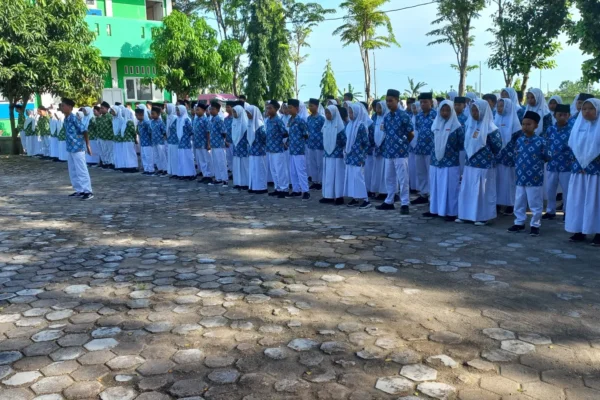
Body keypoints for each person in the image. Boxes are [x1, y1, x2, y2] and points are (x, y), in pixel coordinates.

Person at [456, 100, 503, 225]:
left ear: (483, 111)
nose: (474, 113)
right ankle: (465, 215)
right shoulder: (469, 125)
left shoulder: (492, 128)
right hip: (470, 164)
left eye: (477, 110)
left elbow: (497, 146)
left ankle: (483, 217)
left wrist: (486, 156)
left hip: (484, 165)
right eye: (472, 110)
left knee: (482, 192)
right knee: (469, 189)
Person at [508, 111, 550, 236]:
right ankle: (519, 223)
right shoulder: (519, 141)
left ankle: (535, 225)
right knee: (519, 201)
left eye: (529, 124)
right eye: (523, 124)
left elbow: (547, 156)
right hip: (520, 177)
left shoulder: (541, 141)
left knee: (535, 202)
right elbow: (515, 155)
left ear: (536, 125)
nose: (525, 127)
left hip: (534, 177)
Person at [565, 98, 600, 246]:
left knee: (595, 202)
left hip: (596, 173)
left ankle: (598, 232)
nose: (587, 112)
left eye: (591, 108)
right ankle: (578, 230)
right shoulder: (578, 126)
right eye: (584, 109)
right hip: (579, 171)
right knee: (578, 201)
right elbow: (572, 145)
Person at [423, 100, 464, 221]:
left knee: (450, 189)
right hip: (435, 162)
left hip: (450, 163)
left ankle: (451, 213)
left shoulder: (457, 127)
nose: (445, 113)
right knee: (435, 187)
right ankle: (434, 210)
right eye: (442, 110)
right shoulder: (435, 125)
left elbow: (461, 144)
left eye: (447, 110)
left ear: (452, 111)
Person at [376, 89, 414, 213]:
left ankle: (405, 203)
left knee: (403, 179)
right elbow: (385, 133)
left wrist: (403, 144)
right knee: (389, 178)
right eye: (387, 101)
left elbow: (411, 133)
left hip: (401, 153)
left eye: (391, 101)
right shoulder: (386, 117)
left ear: (397, 100)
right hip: (389, 152)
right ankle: (389, 201)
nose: (388, 103)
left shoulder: (404, 116)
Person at [543, 104, 573, 220]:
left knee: (567, 190)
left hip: (567, 165)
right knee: (550, 189)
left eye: (565, 115)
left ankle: (567, 212)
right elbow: (546, 143)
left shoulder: (572, 130)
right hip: (552, 164)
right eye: (560, 114)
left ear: (569, 116)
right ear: (555, 115)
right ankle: (550, 211)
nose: (562, 117)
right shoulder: (550, 129)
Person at [494, 98, 522, 215]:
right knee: (498, 180)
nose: (499, 108)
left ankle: (511, 204)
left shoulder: (515, 123)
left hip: (509, 157)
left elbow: (518, 141)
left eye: (502, 106)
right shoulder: (495, 119)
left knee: (509, 181)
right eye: (498, 106)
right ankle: (498, 203)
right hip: (497, 156)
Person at [62, 98, 93, 200]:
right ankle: (79, 190)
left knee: (81, 170)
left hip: (78, 147)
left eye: (63, 105)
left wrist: (88, 145)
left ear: (70, 107)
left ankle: (88, 191)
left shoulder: (74, 118)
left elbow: (84, 130)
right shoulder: (66, 119)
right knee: (73, 170)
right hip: (70, 148)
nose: (61, 107)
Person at [344, 103, 372, 209]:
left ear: (357, 113)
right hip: (350, 156)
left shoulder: (361, 126)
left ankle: (365, 200)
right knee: (352, 177)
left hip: (358, 156)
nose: (350, 115)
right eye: (349, 112)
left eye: (352, 112)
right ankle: (355, 198)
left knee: (359, 177)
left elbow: (366, 143)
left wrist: (362, 156)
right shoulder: (349, 125)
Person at [412, 92, 436, 205]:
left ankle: (432, 195)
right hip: (419, 148)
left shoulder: (436, 115)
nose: (423, 104)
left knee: (431, 173)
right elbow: (416, 131)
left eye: (425, 102)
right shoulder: (419, 116)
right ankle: (423, 194)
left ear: (431, 102)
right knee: (421, 173)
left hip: (431, 149)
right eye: (421, 102)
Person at [320, 105, 347, 205]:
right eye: (326, 113)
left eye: (329, 113)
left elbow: (344, 141)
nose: (327, 115)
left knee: (338, 176)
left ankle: (339, 197)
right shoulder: (325, 125)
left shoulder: (340, 127)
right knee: (328, 176)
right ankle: (328, 196)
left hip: (337, 156)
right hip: (327, 155)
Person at [285, 99, 310, 200]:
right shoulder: (290, 120)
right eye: (288, 108)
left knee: (301, 171)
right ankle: (296, 190)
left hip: (299, 150)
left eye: (290, 108)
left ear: (296, 108)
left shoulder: (300, 121)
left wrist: (300, 143)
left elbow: (306, 134)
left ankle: (305, 191)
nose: (289, 110)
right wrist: (287, 143)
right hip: (291, 150)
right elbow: (290, 134)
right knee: (293, 171)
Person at [265, 100, 289, 198]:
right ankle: (277, 188)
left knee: (280, 170)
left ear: (276, 109)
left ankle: (284, 189)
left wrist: (281, 142)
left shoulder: (278, 120)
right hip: (270, 149)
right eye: (268, 108)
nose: (268, 110)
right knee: (273, 170)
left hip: (278, 149)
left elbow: (285, 133)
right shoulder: (268, 120)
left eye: (270, 108)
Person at [246, 104, 268, 194]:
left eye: (249, 113)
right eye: (247, 113)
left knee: (260, 169)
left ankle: (261, 187)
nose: (247, 115)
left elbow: (265, 138)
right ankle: (253, 186)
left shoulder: (260, 124)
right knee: (253, 169)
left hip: (260, 151)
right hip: (252, 151)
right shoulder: (250, 122)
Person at [369, 100, 388, 199]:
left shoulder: (387, 117)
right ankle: (378, 190)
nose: (378, 110)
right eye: (377, 108)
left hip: (385, 149)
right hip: (377, 148)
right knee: (378, 170)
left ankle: (385, 192)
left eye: (380, 108)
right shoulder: (376, 118)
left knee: (385, 170)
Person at [208, 101, 229, 186]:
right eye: (210, 109)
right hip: (213, 144)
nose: (211, 111)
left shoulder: (219, 119)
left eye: (213, 109)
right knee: (215, 162)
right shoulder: (212, 119)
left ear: (217, 110)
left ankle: (225, 179)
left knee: (221, 162)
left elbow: (224, 132)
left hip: (219, 144)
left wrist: (224, 141)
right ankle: (218, 178)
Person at [307, 98, 326, 190]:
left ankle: (321, 182)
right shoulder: (308, 118)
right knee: (312, 164)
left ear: (317, 106)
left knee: (320, 164)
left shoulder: (321, 118)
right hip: (311, 144)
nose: (310, 108)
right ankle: (314, 181)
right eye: (309, 106)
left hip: (319, 145)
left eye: (312, 106)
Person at [231, 104, 250, 190]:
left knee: (244, 165)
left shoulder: (245, 123)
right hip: (236, 148)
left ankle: (245, 183)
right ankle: (238, 182)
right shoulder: (234, 122)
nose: (234, 114)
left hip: (244, 149)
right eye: (233, 112)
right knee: (237, 165)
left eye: (235, 112)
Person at [174, 104, 195, 180]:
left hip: (186, 142)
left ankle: (190, 174)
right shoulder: (178, 119)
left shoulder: (186, 119)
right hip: (180, 142)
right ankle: (183, 173)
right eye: (176, 110)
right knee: (181, 159)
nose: (177, 112)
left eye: (178, 110)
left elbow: (191, 130)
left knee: (187, 158)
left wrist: (186, 137)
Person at [193, 103, 212, 182]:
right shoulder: (196, 119)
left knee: (206, 159)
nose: (196, 111)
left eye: (198, 110)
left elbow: (208, 132)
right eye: (196, 110)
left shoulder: (205, 120)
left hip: (204, 143)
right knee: (201, 160)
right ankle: (205, 175)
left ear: (203, 111)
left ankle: (209, 175)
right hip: (197, 143)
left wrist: (208, 143)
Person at [149, 106, 167, 176]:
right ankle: (160, 169)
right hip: (154, 141)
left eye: (153, 114)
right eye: (151, 114)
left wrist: (164, 140)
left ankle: (165, 169)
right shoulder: (151, 122)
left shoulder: (161, 122)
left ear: (158, 114)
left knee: (162, 155)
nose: (152, 115)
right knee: (156, 156)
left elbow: (164, 132)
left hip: (160, 142)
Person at [136, 107, 154, 175]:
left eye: (137, 115)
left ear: (142, 115)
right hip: (142, 142)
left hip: (148, 142)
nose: (136, 117)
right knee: (143, 156)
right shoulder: (139, 123)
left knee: (149, 156)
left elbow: (150, 132)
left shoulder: (146, 123)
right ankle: (146, 169)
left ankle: (151, 170)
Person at [165, 103, 180, 178]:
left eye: (167, 108)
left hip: (175, 141)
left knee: (175, 157)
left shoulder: (176, 118)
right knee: (171, 157)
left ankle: (177, 172)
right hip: (170, 140)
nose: (166, 110)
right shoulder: (168, 117)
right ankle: (173, 172)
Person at [224, 101, 235, 174]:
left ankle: (234, 172)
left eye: (228, 107)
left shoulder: (235, 118)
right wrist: (225, 140)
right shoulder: (226, 119)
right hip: (227, 141)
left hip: (234, 141)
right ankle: (231, 170)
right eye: (226, 107)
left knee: (234, 158)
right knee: (229, 157)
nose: (227, 109)